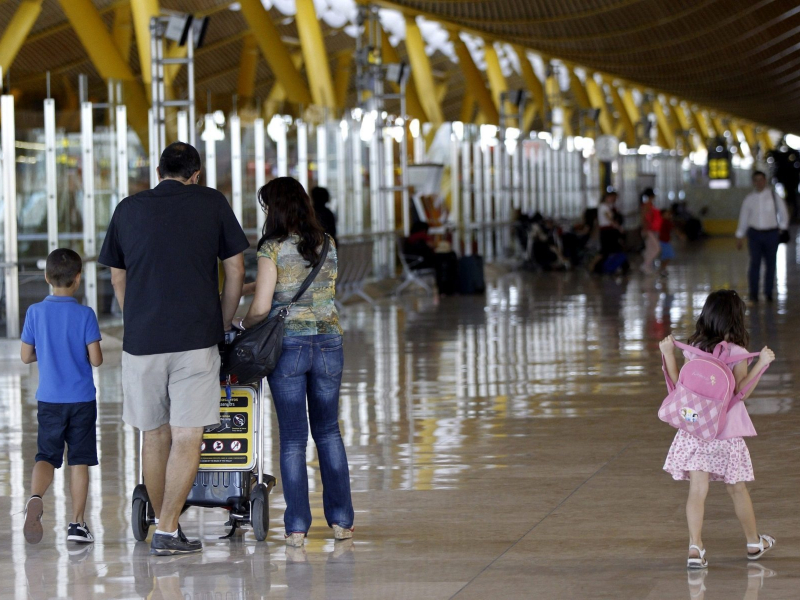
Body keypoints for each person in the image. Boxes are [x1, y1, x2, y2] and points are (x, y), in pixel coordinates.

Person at [98, 142, 248, 556]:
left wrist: (138, 320)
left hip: (142, 342)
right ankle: (166, 529)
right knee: (187, 436)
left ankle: (166, 524)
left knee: (153, 435)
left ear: (159, 170)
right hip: (196, 340)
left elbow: (116, 278)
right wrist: (221, 318)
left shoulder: (128, 208)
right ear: (196, 174)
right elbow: (235, 268)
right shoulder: (212, 202)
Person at [236, 177, 354, 547]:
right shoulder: (326, 243)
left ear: (276, 208)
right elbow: (309, 283)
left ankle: (298, 527)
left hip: (289, 347)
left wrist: (242, 324)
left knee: (292, 438)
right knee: (329, 432)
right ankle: (341, 521)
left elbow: (262, 308)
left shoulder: (271, 247)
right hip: (328, 341)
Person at [659, 290, 776, 570]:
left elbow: (679, 387)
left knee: (697, 491)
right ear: (737, 319)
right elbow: (740, 392)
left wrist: (668, 355)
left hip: (696, 429)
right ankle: (753, 542)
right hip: (725, 432)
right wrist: (762, 363)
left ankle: (695, 548)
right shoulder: (736, 352)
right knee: (737, 489)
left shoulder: (695, 348)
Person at [20, 248, 103, 545]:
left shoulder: (35, 313)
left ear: (46, 277)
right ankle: (77, 525)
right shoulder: (85, 314)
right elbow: (96, 360)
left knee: (46, 455)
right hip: (81, 399)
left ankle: (35, 497)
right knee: (78, 460)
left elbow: (25, 356)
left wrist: (47, 350)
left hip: (49, 399)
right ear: (78, 279)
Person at [735, 171, 789, 303]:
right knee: (754, 264)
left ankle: (768, 292)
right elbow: (744, 218)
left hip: (771, 234)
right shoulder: (749, 199)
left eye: (761, 179)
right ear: (753, 182)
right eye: (756, 180)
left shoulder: (774, 196)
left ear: (765, 180)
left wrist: (782, 228)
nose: (759, 182)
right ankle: (753, 293)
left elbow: (783, 212)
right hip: (754, 235)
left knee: (771, 264)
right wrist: (740, 235)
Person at [640, 188, 662, 274]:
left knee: (650, 248)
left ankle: (647, 267)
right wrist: (645, 229)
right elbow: (644, 218)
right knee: (657, 248)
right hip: (648, 230)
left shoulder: (651, 205)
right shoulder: (647, 205)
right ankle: (645, 264)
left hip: (653, 229)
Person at [658, 207, 676, 277]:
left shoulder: (667, 222)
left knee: (667, 256)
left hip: (666, 241)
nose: (668, 216)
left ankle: (663, 269)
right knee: (667, 256)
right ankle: (662, 269)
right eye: (666, 214)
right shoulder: (663, 222)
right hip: (663, 241)